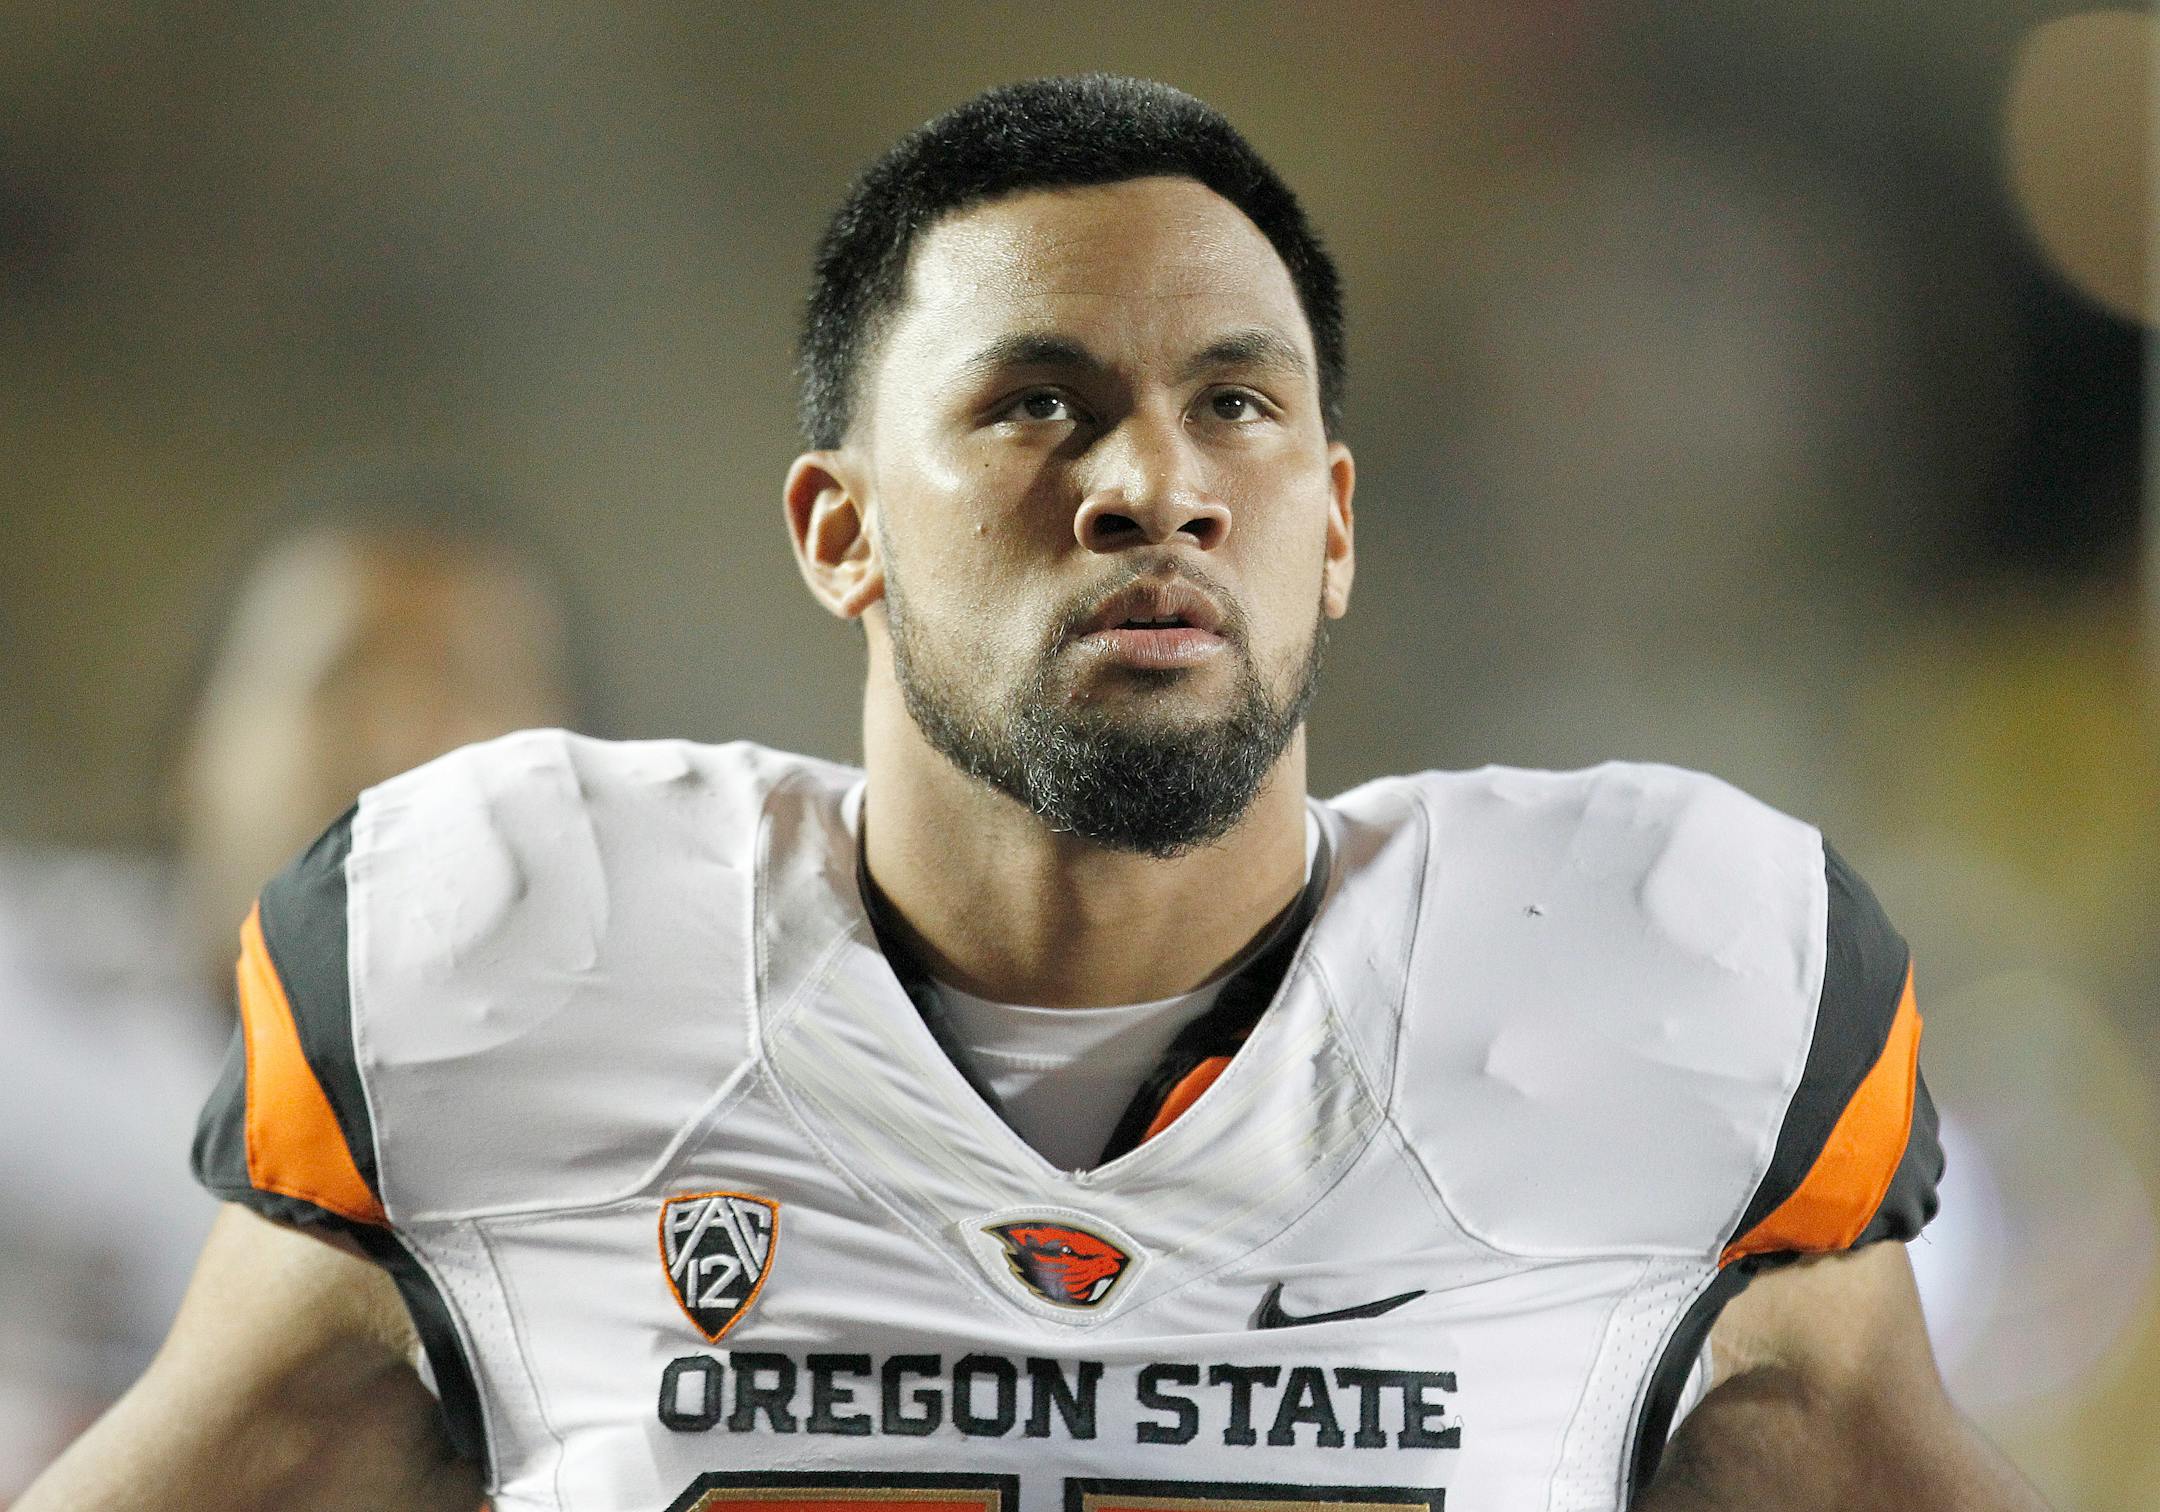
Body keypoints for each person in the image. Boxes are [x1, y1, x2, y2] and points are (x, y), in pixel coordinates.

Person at [20, 78, 2049, 1512]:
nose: (1151, 484)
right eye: (1035, 404)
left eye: (1234, 404)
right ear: (839, 532)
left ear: (1330, 525)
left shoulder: (1658, 987)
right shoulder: (514, 965)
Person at [0, 476, 580, 1498]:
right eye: (341, 673)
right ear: (194, 742)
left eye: (466, 682)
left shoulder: (632, 1108)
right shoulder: (19, 994)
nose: (401, 740)